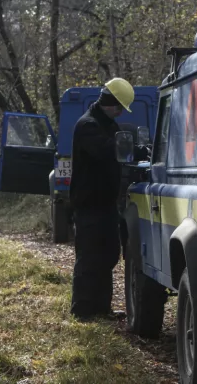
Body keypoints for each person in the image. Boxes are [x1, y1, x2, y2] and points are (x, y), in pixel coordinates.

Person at [69, 77, 144, 321]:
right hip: (89, 203)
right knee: (90, 257)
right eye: (120, 107)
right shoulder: (88, 126)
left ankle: (102, 308)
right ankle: (82, 310)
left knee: (109, 254)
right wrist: (127, 146)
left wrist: (139, 148)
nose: (121, 112)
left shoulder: (107, 124)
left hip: (106, 203)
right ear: (111, 103)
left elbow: (120, 147)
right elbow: (106, 150)